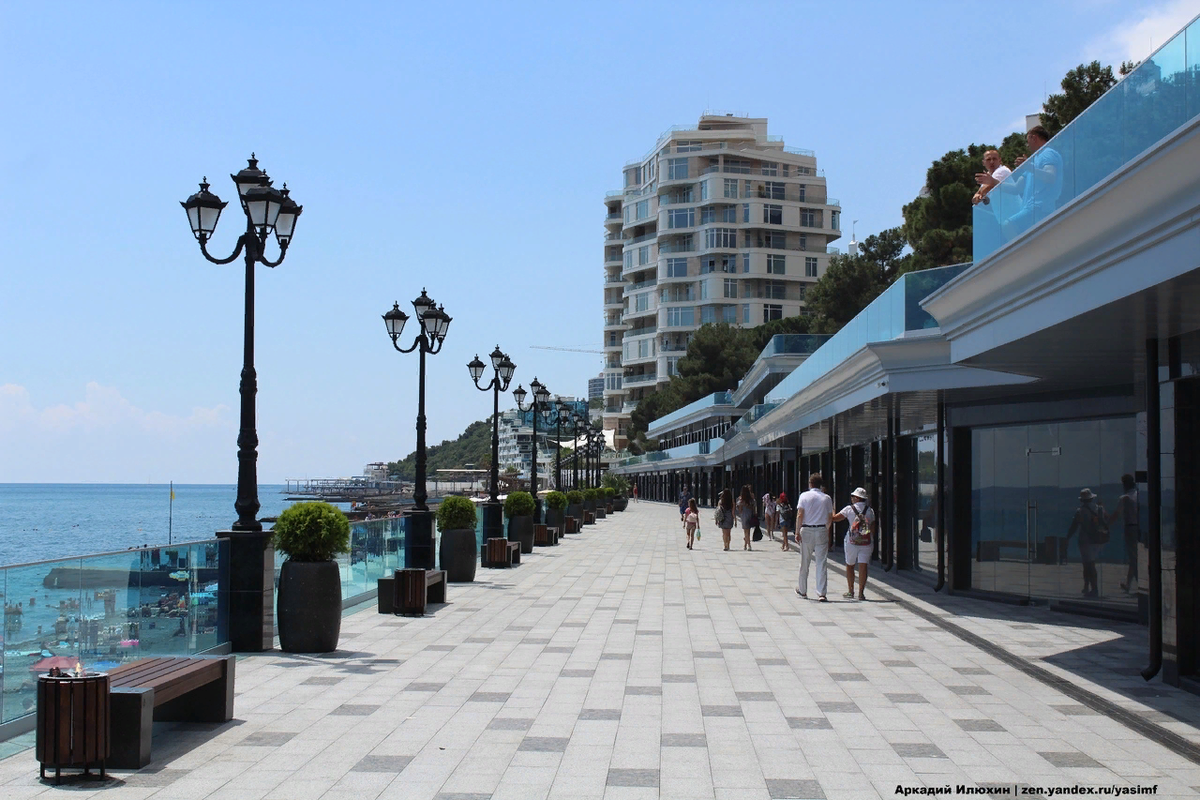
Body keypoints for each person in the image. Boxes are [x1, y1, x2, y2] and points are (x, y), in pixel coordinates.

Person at [795, 473, 835, 601]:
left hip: (807, 529)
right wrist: (826, 528)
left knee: (804, 562)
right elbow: (830, 517)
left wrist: (797, 531)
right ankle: (821, 592)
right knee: (821, 562)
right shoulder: (827, 498)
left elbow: (800, 514)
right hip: (821, 529)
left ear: (810, 484)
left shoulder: (804, 496)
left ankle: (802, 590)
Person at [832, 487, 876, 600]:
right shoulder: (870, 511)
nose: (851, 498)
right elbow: (873, 527)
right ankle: (861, 593)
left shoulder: (849, 509)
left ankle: (850, 591)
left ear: (857, 498)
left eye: (853, 496)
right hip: (866, 542)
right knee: (863, 566)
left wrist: (833, 509)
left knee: (850, 565)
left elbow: (835, 518)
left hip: (851, 541)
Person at [1066, 488, 1107, 598]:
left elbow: (1074, 526)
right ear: (1092, 498)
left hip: (1085, 540)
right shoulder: (1099, 508)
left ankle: (1094, 589)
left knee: (1088, 565)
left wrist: (1067, 538)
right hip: (1098, 540)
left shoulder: (1080, 511)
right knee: (1090, 563)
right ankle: (1087, 586)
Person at [1107, 474, 1140, 593]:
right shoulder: (1138, 495)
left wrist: (1106, 525)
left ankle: (1140, 585)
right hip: (1139, 528)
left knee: (1133, 558)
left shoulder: (1125, 498)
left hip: (1130, 528)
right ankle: (1128, 584)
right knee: (1134, 558)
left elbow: (1116, 514)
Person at [736, 485, 756, 551]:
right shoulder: (751, 499)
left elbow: (739, 508)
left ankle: (748, 545)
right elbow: (754, 506)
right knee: (748, 531)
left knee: (745, 531)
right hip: (750, 514)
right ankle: (745, 545)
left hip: (744, 515)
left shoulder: (741, 499)